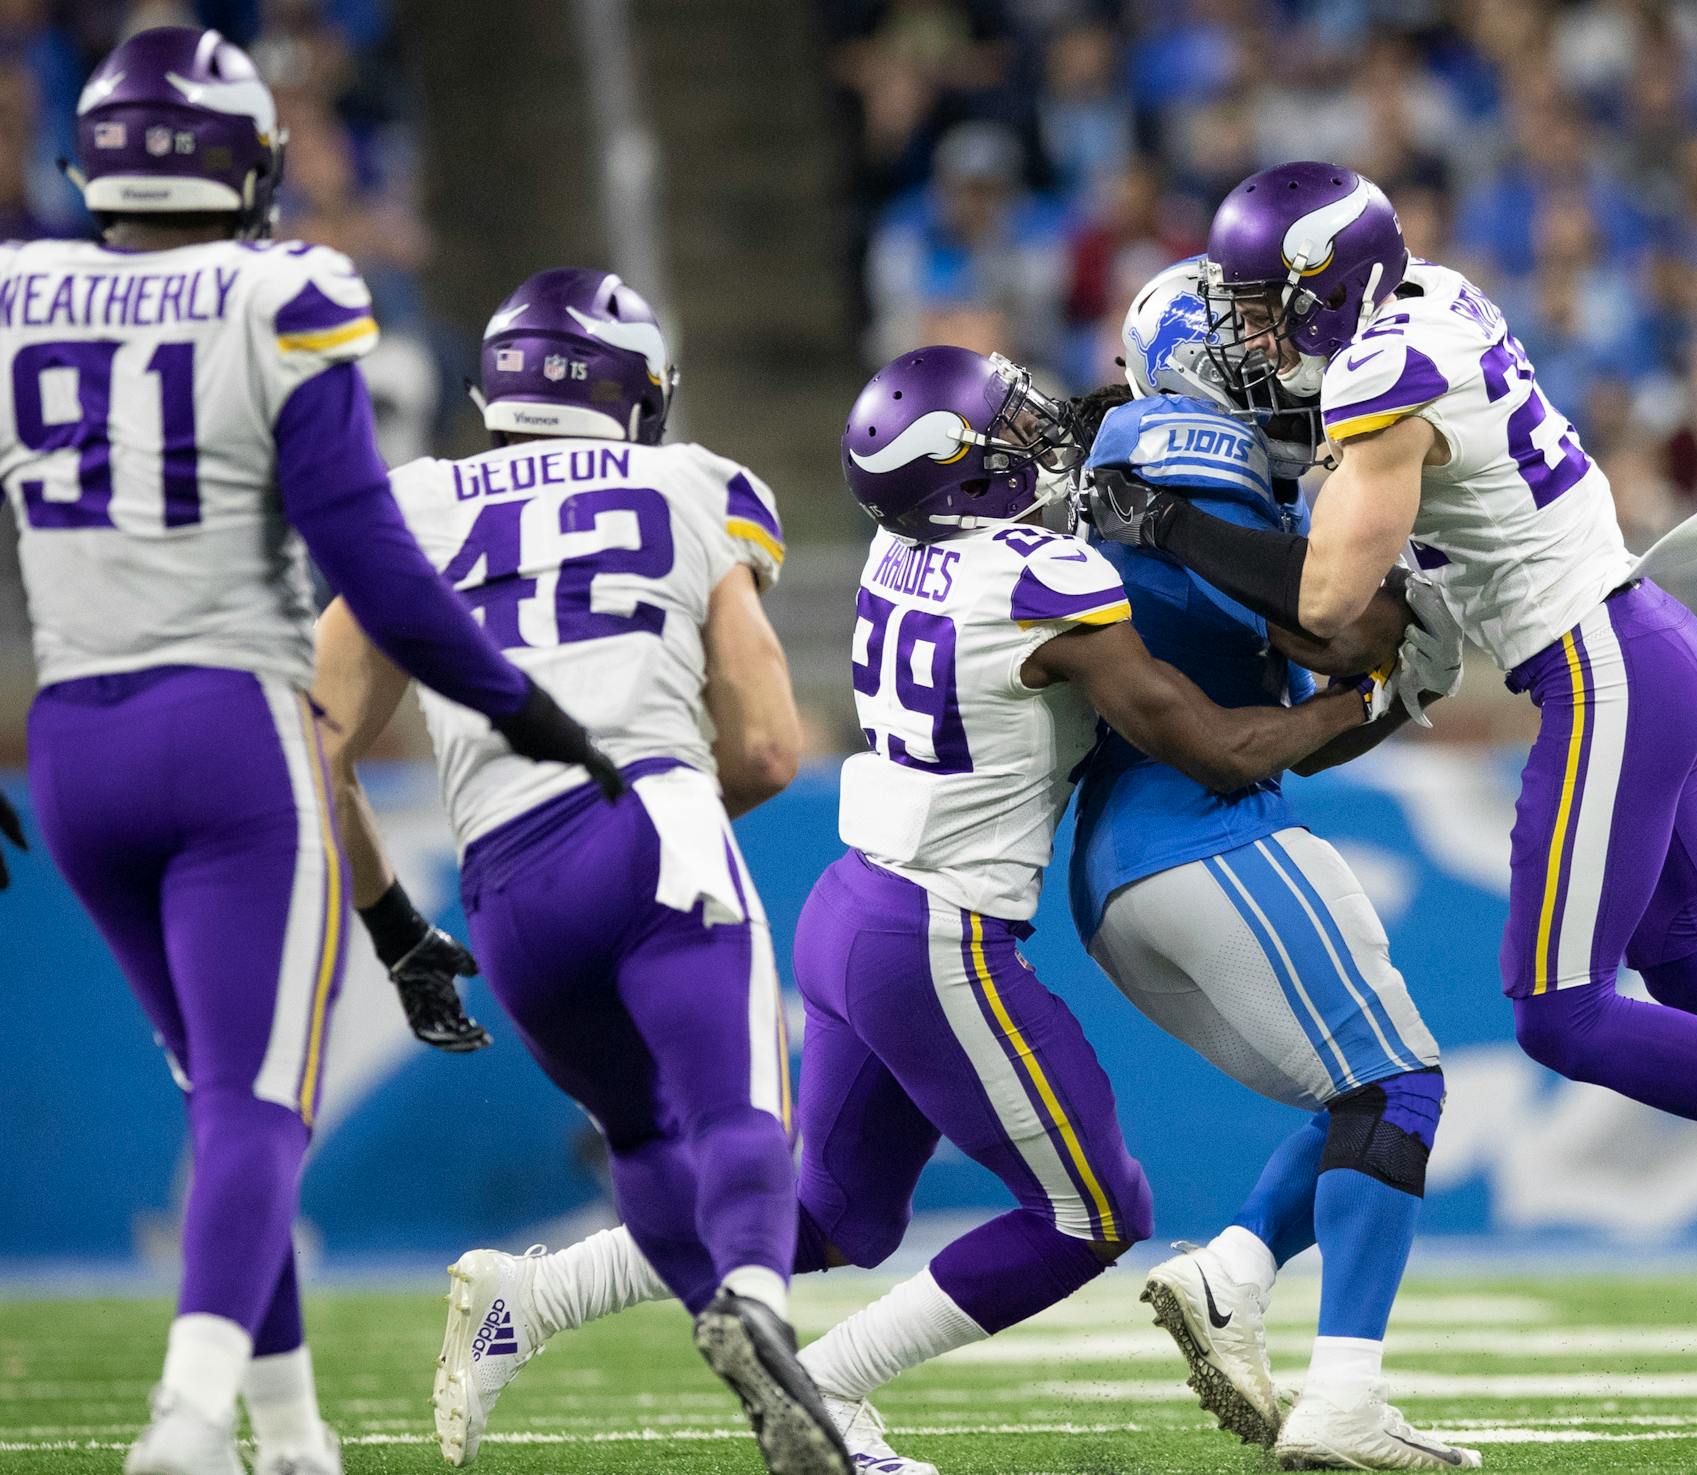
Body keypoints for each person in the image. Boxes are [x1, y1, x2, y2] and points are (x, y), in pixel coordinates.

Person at [1089, 161, 1697, 1309]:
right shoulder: (1429, 301)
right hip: (1650, 636)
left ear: (1328, 288)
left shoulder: (1381, 374)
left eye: (1264, 304)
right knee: (1694, 959)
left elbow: (1326, 602)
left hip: (1600, 667)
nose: (1252, 333)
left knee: (1561, 1013)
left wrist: (1165, 519)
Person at [413, 344, 1384, 1475]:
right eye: (1009, 432)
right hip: (940, 935)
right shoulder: (1040, 583)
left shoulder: (900, 544)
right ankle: (826, 1384)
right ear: (965, 478)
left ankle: (529, 1296)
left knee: (835, 1212)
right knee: (1095, 1212)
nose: (1038, 440)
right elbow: (1213, 747)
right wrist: (1356, 697)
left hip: (855, 906)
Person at [0, 31, 616, 1475]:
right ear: (241, 160)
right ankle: (186, 1419)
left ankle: (287, 1432)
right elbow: (373, 563)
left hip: (75, 747)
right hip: (231, 736)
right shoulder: (285, 288)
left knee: (223, 1097)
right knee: (255, 1100)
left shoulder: (20, 289)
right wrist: (512, 700)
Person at [312, 268, 847, 1475]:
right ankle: (756, 1307)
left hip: (500, 884)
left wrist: (397, 930)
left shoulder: (411, 505)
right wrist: (673, 820)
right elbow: (766, 740)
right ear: (636, 394)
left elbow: (315, 745)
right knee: (742, 1111)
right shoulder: (693, 483)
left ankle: (753, 1343)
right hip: (652, 817)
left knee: (642, 1136)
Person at [1067, 260, 1483, 1470]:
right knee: (1398, 1088)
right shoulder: (1175, 437)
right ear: (1195, 355)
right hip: (1189, 824)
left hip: (1137, 855)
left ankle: (1234, 1273)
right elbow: (1329, 620)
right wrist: (1414, 615)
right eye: (1248, 330)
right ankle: (1342, 1396)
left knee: (1373, 1094)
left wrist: (1402, 687)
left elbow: (1314, 704)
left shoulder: (1214, 471)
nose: (1281, 349)